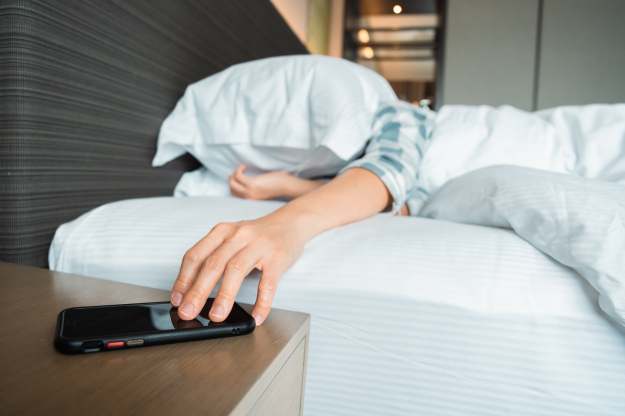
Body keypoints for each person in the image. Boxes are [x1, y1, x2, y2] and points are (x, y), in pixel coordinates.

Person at [170, 100, 434, 324]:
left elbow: (397, 204)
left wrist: (286, 188)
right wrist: (288, 220)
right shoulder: (410, 116)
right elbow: (390, 170)